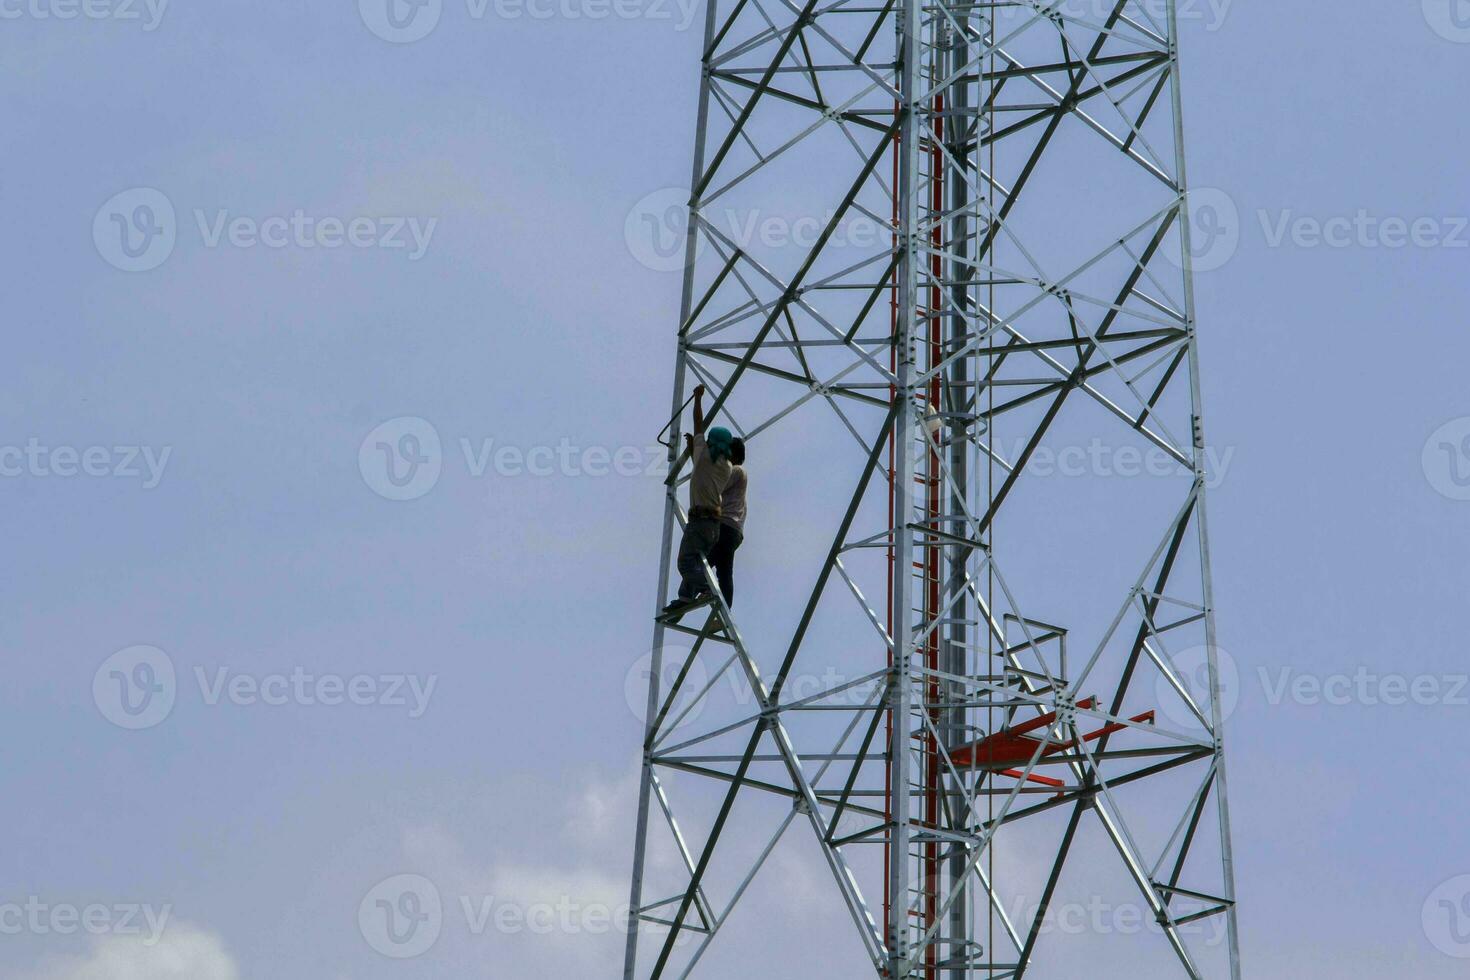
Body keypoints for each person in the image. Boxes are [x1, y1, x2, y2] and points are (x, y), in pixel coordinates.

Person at [661, 385, 734, 617]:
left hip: (699, 522)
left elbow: (698, 422)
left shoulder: (703, 456)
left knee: (685, 563)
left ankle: (709, 589)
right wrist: (694, 445)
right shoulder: (725, 466)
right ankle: (685, 598)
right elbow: (701, 471)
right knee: (697, 563)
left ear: (710, 443)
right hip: (714, 526)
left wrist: (698, 399)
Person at [709, 437, 746, 606]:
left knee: (701, 562)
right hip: (732, 530)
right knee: (724, 571)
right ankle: (723, 609)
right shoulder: (739, 482)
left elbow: (717, 486)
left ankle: (696, 592)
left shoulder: (737, 470)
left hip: (726, 526)